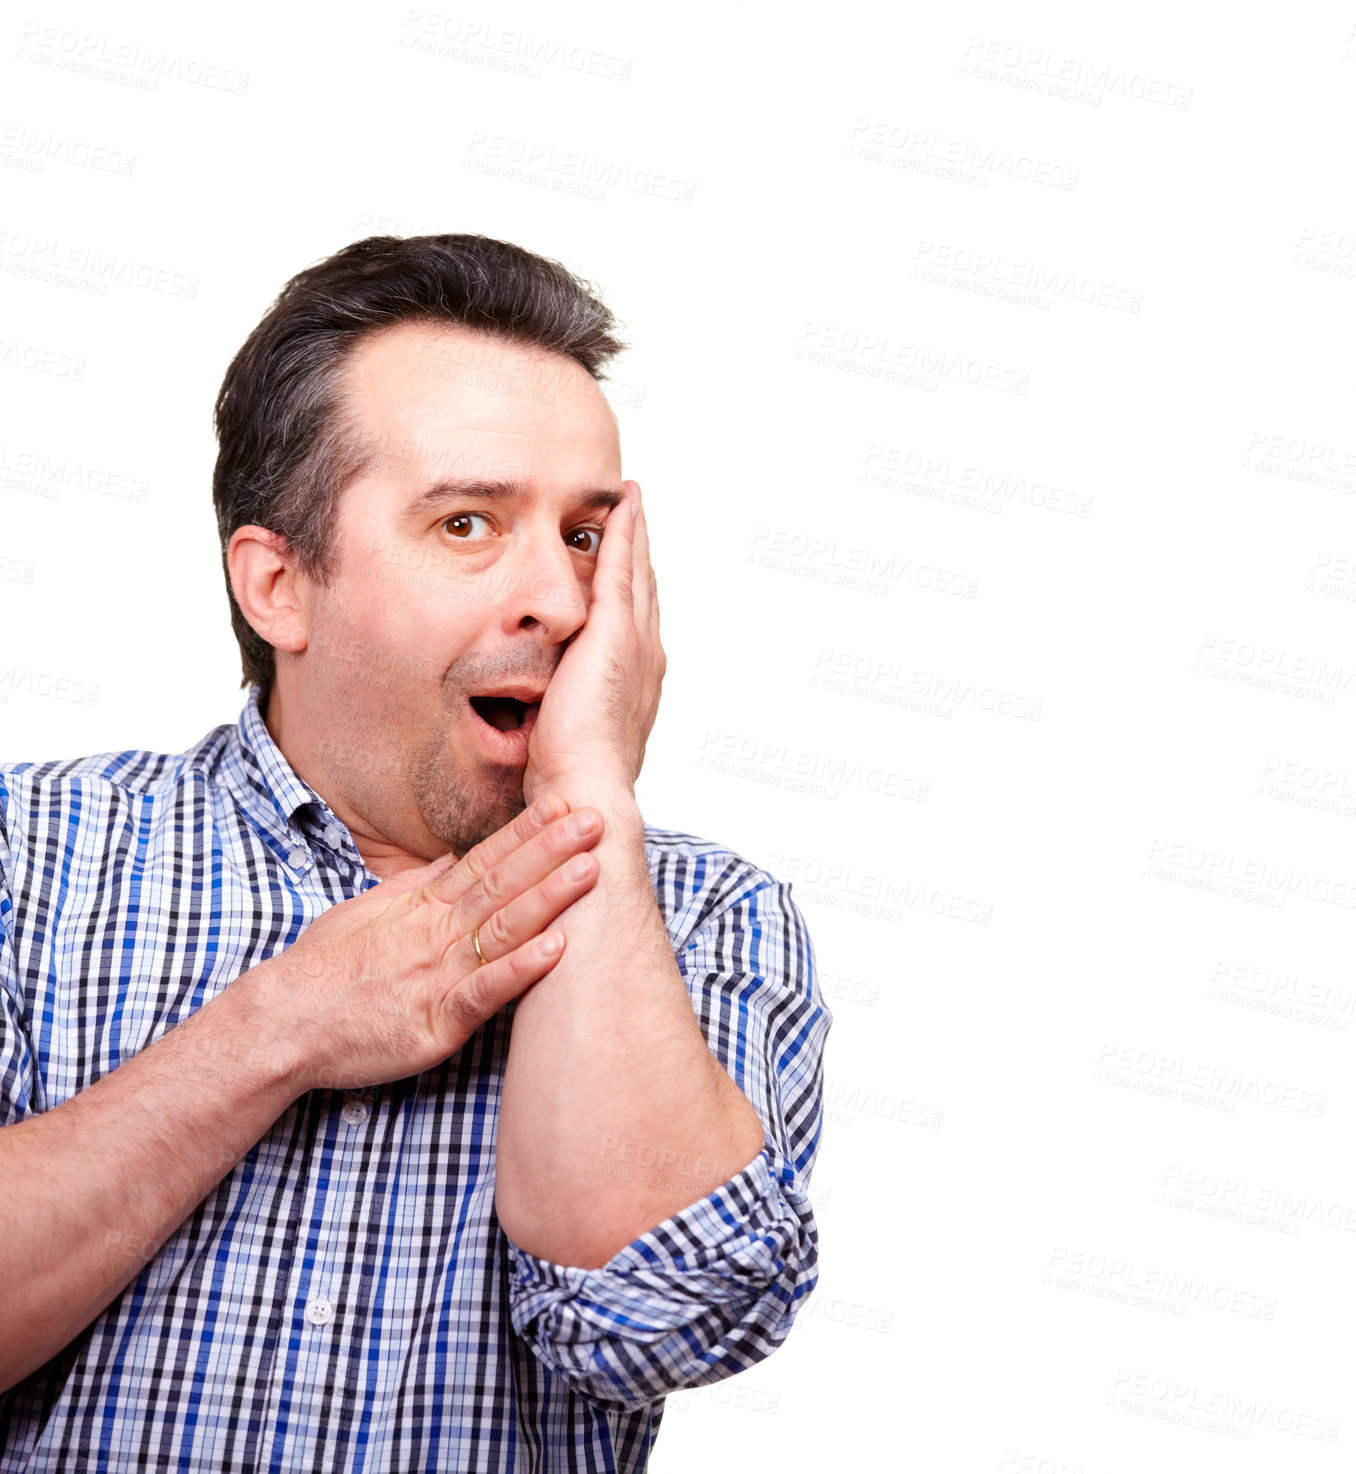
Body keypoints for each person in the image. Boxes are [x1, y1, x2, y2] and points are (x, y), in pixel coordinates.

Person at [0, 233, 831, 1472]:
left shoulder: (711, 919)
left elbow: (657, 1319)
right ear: (278, 583)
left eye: (588, 535)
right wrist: (283, 1027)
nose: (556, 598)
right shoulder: (33, 852)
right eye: (467, 523)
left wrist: (588, 792)